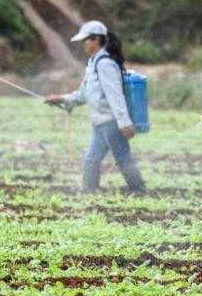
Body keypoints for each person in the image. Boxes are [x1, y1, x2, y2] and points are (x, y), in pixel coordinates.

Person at [45, 20, 147, 195]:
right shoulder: (93, 65)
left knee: (122, 158)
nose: (83, 44)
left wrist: (124, 123)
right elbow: (83, 94)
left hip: (112, 122)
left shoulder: (105, 64)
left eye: (85, 40)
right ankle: (89, 190)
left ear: (96, 40)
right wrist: (61, 99)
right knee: (91, 159)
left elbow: (115, 94)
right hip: (100, 123)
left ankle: (139, 190)